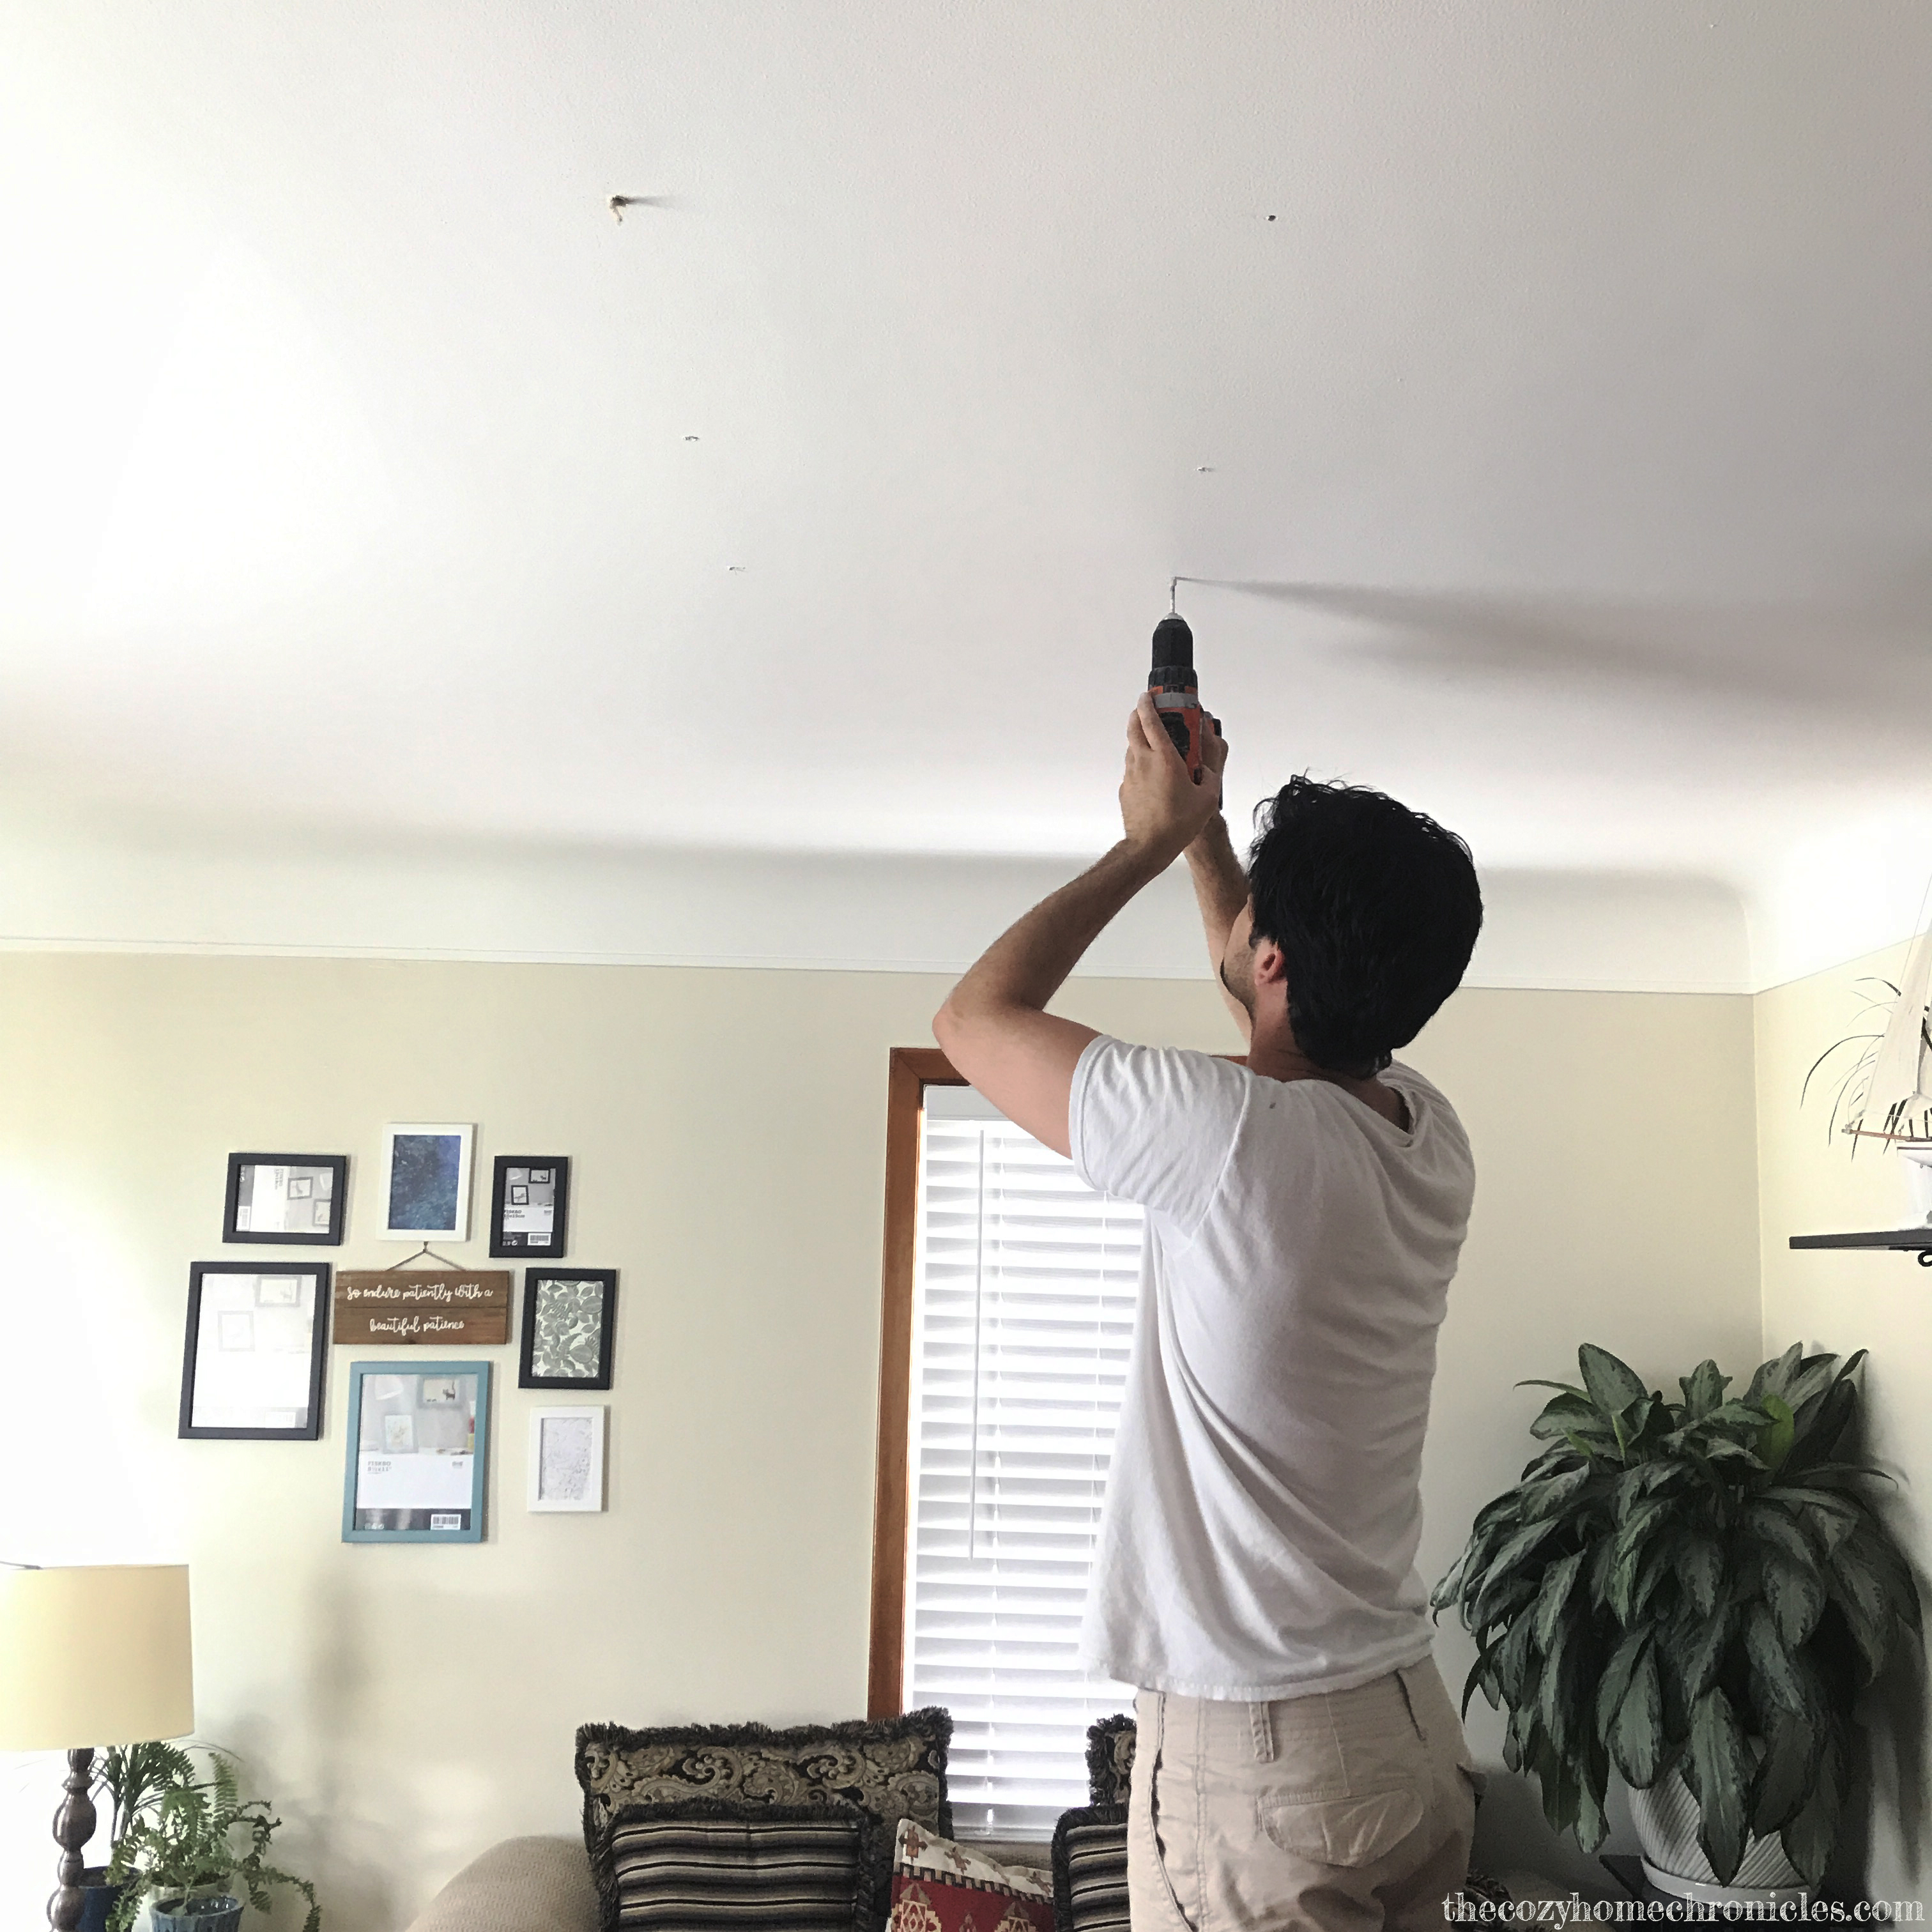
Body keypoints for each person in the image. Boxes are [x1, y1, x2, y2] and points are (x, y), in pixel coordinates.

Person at [933, 692, 1485, 1931]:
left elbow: (972, 1023)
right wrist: (1210, 835)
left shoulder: (1231, 1136)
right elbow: (1277, 1017)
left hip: (1266, 1765)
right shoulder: (1426, 1133)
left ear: (1273, 959)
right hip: (1405, 1731)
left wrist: (1147, 839)